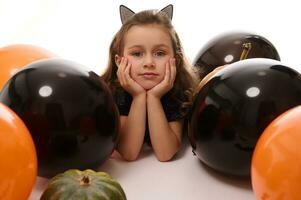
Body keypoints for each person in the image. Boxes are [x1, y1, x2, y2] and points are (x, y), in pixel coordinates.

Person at [101, 4, 197, 162]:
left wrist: (154, 97)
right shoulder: (115, 91)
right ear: (119, 61)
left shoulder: (178, 91)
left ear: (175, 60)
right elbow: (129, 152)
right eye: (137, 54)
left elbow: (165, 153)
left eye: (160, 53)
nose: (149, 62)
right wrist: (138, 96)